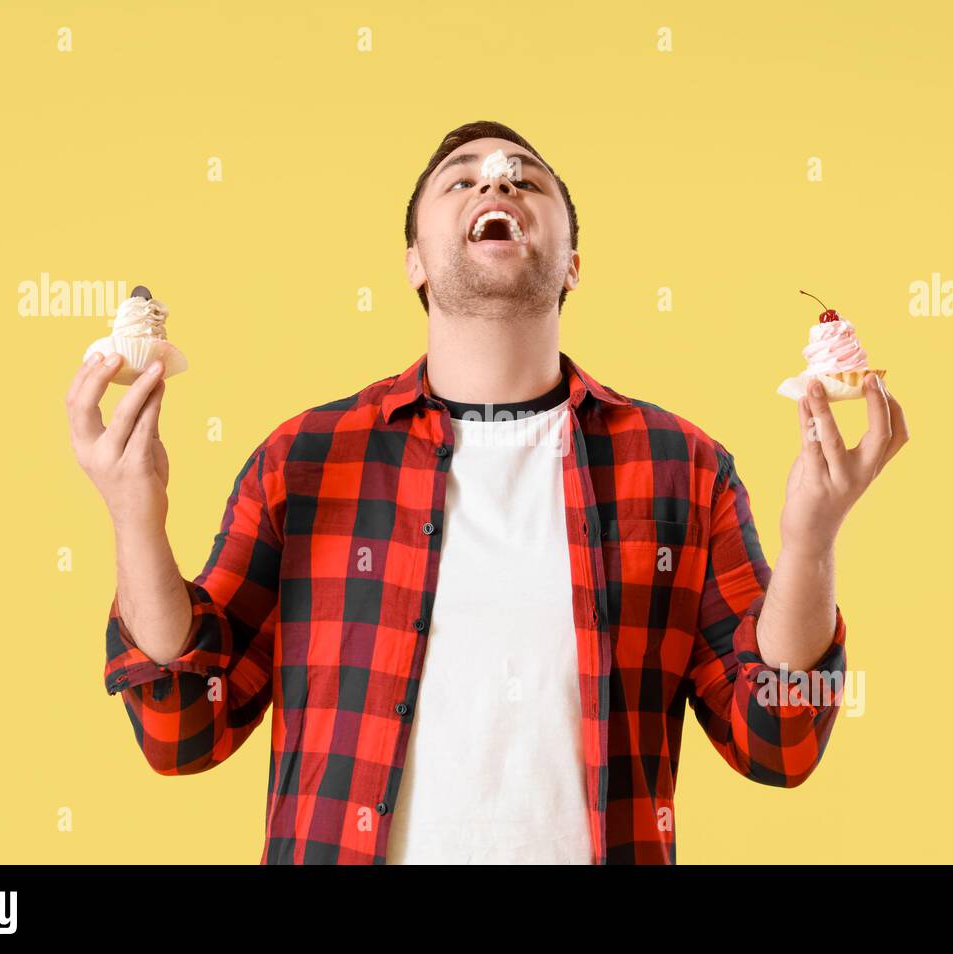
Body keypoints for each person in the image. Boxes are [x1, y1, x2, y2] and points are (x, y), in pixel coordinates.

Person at [65, 120, 908, 865]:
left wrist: (813, 542)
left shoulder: (681, 467)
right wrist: (134, 516)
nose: (496, 182)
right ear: (415, 263)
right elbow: (183, 731)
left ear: (573, 264)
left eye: (523, 178)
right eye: (463, 178)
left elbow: (782, 740)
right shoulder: (306, 460)